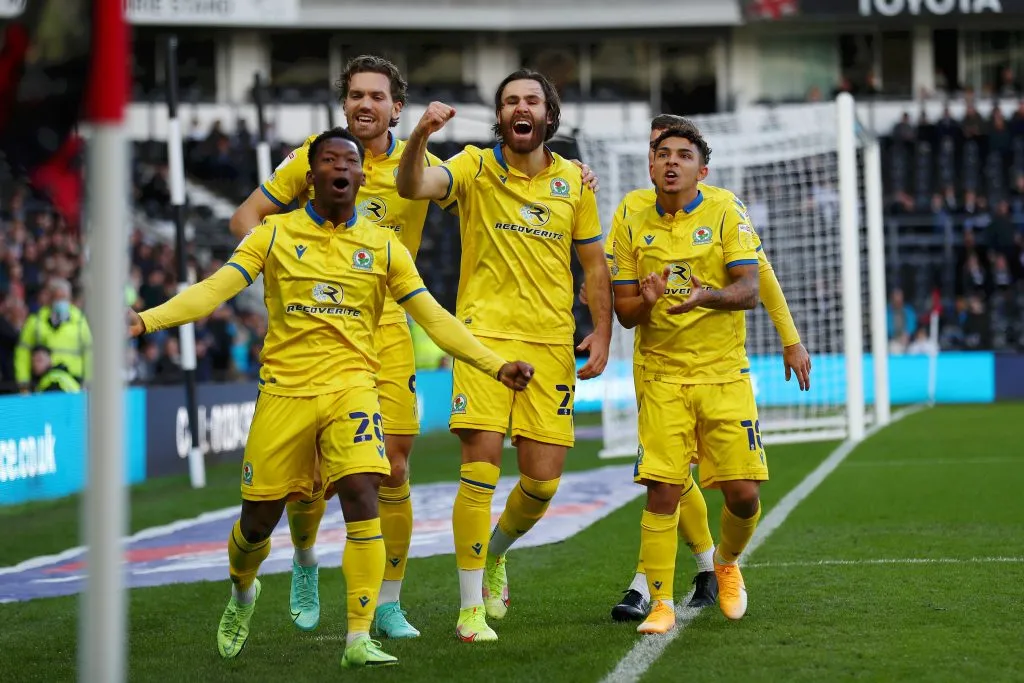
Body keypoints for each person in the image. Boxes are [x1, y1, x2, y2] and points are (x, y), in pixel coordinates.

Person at [129, 129, 535, 668]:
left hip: (353, 390)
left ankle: (358, 637)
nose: (341, 168)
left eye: (349, 161)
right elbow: (214, 289)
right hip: (285, 393)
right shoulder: (273, 236)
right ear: (312, 174)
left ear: (361, 177)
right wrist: (145, 319)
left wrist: (495, 363)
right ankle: (243, 591)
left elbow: (434, 318)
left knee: (366, 492)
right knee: (255, 524)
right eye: (329, 160)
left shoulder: (384, 246)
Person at [230, 55, 601, 638]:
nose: (364, 105)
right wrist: (283, 263)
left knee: (394, 469)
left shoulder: (425, 164)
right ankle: (305, 559)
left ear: (395, 108)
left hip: (386, 332)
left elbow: (432, 183)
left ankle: (389, 603)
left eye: (376, 96)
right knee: (306, 476)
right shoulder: (315, 156)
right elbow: (247, 217)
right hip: (313, 335)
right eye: (355, 95)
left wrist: (567, 170)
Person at [395, 69, 612, 642]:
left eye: (531, 100)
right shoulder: (472, 165)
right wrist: (420, 134)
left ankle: (494, 554)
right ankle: (469, 609)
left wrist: (604, 332)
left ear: (548, 114)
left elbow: (594, 266)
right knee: (480, 470)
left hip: (551, 347)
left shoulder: (575, 183)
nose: (521, 107)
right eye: (510, 100)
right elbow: (413, 186)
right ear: (499, 116)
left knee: (541, 485)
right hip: (482, 343)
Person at [597, 114, 811, 622]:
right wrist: (646, 303)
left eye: (681, 154)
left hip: (723, 373)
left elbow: (756, 283)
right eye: (661, 153)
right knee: (663, 484)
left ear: (703, 169)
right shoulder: (630, 212)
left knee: (742, 494)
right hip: (660, 371)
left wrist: (788, 337)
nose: (670, 161)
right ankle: (659, 598)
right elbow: (624, 308)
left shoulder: (725, 210)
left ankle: (724, 562)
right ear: (649, 163)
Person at [15, 278, 92, 392]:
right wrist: (23, 381)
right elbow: (23, 352)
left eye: (64, 297)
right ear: (50, 299)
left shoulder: (79, 321)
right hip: (43, 381)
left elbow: (89, 352)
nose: (61, 302)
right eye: (58, 297)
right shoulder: (36, 321)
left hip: (74, 381)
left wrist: (89, 381)